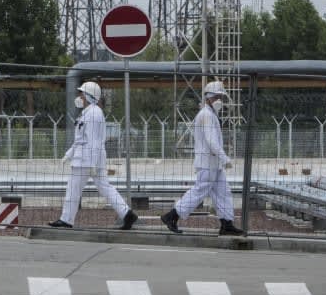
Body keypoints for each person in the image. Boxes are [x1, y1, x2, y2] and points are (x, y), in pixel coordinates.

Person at [49, 81, 138, 230]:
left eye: (81, 93)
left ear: (88, 96)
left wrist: (91, 164)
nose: (79, 96)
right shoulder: (89, 113)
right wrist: (68, 155)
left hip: (86, 160)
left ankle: (66, 220)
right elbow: (80, 140)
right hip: (88, 158)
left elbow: (93, 142)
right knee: (104, 187)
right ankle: (127, 214)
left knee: (73, 188)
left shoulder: (94, 114)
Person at [160, 81, 245, 236]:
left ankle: (227, 224)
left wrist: (221, 159)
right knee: (199, 192)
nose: (219, 100)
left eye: (220, 97)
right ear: (208, 98)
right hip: (207, 163)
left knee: (223, 193)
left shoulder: (211, 114)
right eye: (216, 97)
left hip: (213, 163)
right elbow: (211, 141)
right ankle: (171, 216)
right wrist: (224, 158)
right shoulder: (206, 115)